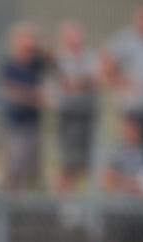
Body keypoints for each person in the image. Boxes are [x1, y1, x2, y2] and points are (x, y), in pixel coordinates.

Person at [101, 4, 143, 164]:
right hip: (132, 108)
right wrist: (119, 80)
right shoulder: (127, 40)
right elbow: (106, 59)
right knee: (131, 151)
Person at [0, 23, 46, 191]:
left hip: (33, 124)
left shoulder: (36, 64)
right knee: (14, 167)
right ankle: (9, 205)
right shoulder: (11, 65)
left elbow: (52, 58)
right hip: (16, 125)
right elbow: (12, 91)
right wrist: (34, 96)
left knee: (33, 168)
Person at [54, 20, 98, 193]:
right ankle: (63, 204)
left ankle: (80, 205)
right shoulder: (59, 59)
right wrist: (78, 84)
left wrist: (77, 84)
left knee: (85, 163)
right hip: (68, 117)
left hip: (87, 116)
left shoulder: (89, 58)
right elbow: (64, 83)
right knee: (67, 163)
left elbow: (93, 80)